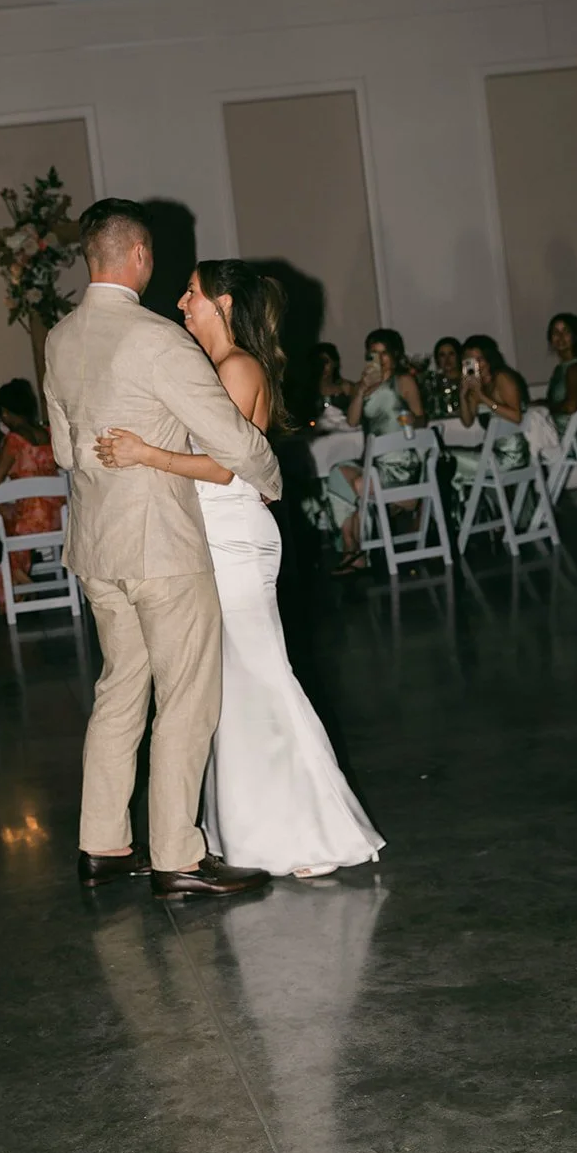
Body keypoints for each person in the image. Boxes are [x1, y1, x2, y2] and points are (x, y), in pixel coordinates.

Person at [96, 260, 384, 880]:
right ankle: (251, 834)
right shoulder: (218, 368)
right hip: (217, 535)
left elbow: (227, 467)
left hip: (233, 539)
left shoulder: (236, 368)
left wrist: (145, 454)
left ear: (223, 303)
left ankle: (310, 832)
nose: (181, 302)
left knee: (258, 676)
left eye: (192, 293)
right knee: (227, 687)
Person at [44, 198, 280, 900]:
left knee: (119, 691)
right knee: (184, 699)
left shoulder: (58, 339)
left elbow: (63, 449)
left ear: (91, 257)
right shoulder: (157, 340)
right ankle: (177, 856)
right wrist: (271, 478)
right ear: (141, 256)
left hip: (95, 545)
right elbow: (232, 441)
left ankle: (103, 845)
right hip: (162, 547)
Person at [326, 328, 424, 574]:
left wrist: (411, 419)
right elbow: (351, 421)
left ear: (394, 355)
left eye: (384, 354)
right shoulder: (364, 385)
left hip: (400, 464)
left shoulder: (403, 381)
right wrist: (361, 390)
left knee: (359, 484)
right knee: (338, 474)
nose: (380, 359)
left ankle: (357, 550)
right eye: (373, 354)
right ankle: (352, 546)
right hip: (374, 465)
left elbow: (422, 419)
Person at [0, 379, 62, 613]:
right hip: (58, 516)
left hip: (31, 521)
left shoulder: (14, 440)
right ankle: (18, 576)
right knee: (3, 517)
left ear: (5, 412)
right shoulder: (48, 433)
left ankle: (15, 585)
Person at [449, 334, 530, 489]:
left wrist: (483, 398)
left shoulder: (502, 378)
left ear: (489, 359)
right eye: (470, 361)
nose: (477, 365)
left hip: (512, 456)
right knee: (442, 458)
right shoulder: (476, 384)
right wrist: (463, 394)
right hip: (492, 452)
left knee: (445, 461)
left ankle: (459, 510)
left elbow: (517, 416)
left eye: (480, 359)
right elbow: (467, 422)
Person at [311, 341, 355, 417]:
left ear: (335, 363)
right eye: (319, 362)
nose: (322, 366)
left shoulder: (346, 388)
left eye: (326, 361)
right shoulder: (307, 391)